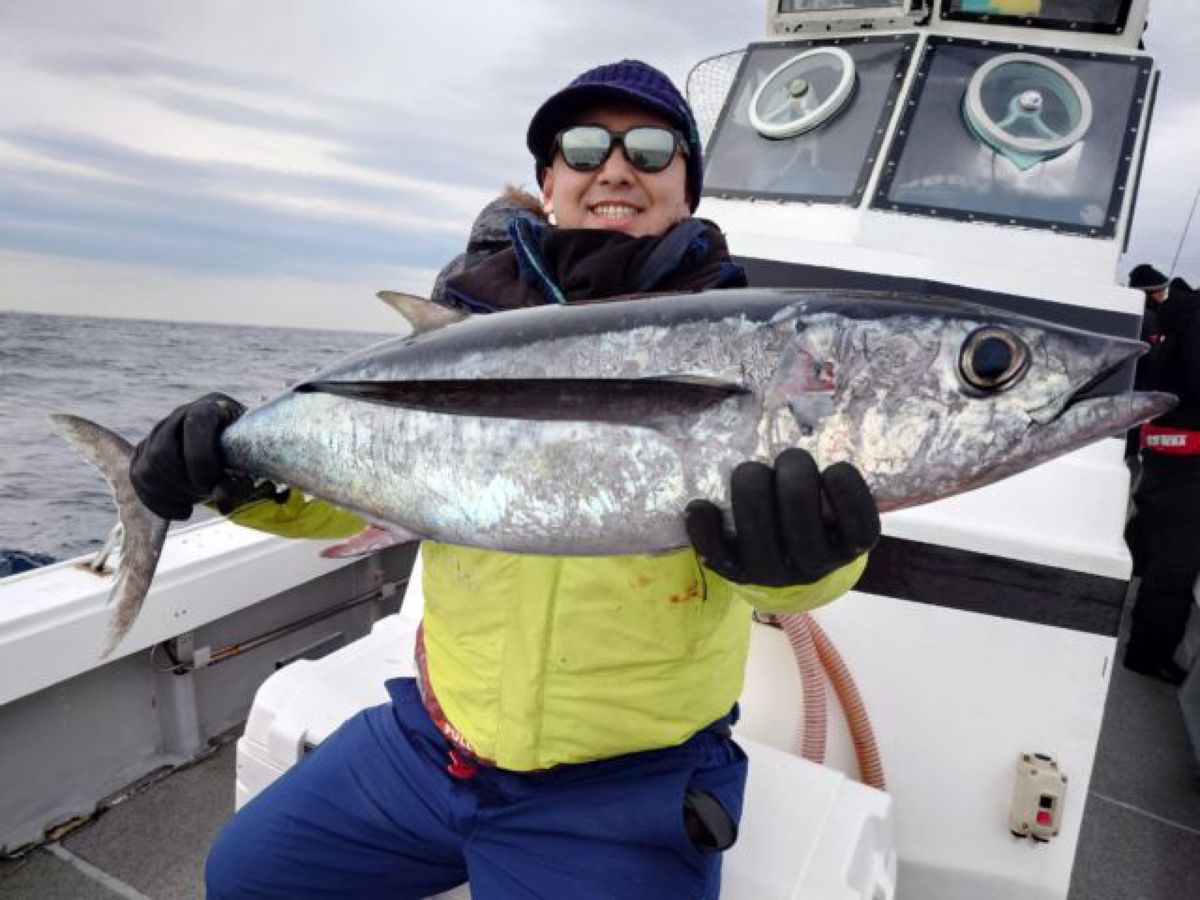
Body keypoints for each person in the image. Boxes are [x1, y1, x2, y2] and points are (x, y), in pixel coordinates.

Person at [130, 60, 880, 899]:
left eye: (653, 147)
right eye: (585, 146)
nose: (616, 167)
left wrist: (808, 560)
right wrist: (232, 475)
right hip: (432, 743)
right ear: (550, 180)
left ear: (688, 186)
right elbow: (342, 491)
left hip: (623, 788)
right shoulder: (464, 327)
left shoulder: (763, 348)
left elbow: (814, 565)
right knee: (245, 878)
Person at [1123, 263, 1199, 686]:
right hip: (1191, 462)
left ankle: (1121, 597)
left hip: (1165, 449)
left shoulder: (1181, 316)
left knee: (1151, 534)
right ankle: (1148, 653)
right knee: (1177, 562)